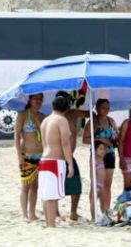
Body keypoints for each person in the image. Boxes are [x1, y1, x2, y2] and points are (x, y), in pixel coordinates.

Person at [38, 95, 75, 227]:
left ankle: (49, 222)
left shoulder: (45, 121)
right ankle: (51, 224)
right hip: (55, 161)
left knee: (46, 193)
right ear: (67, 107)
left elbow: (43, 143)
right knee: (52, 194)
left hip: (44, 159)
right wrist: (70, 164)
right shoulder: (61, 120)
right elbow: (65, 143)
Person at [55, 90, 90, 221]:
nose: (67, 104)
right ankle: (56, 213)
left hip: (70, 155)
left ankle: (73, 212)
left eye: (69, 101)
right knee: (56, 185)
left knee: (76, 185)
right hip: (57, 156)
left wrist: (85, 99)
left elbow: (90, 113)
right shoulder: (54, 117)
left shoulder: (74, 114)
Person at [82, 98, 119, 213]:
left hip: (110, 155)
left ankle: (106, 211)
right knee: (96, 185)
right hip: (97, 157)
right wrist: (100, 138)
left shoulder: (111, 121)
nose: (106, 110)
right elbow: (85, 140)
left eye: (107, 108)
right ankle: (94, 213)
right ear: (97, 108)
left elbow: (117, 136)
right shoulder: (93, 122)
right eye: (103, 107)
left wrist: (116, 137)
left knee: (107, 185)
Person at [14, 93, 45, 222]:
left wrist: (38, 121)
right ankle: (24, 214)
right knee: (25, 185)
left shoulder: (42, 116)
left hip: (41, 155)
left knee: (35, 186)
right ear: (30, 99)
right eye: (35, 98)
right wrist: (19, 155)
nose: (38, 101)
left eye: (40, 99)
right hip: (26, 154)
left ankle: (32, 213)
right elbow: (16, 135)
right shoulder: (22, 115)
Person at [88, 140, 108, 221]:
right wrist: (94, 185)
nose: (103, 151)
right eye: (100, 149)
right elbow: (92, 174)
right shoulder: (94, 161)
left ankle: (104, 215)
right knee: (93, 201)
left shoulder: (101, 159)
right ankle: (93, 217)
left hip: (102, 184)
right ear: (95, 151)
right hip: (96, 184)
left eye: (104, 149)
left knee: (103, 201)